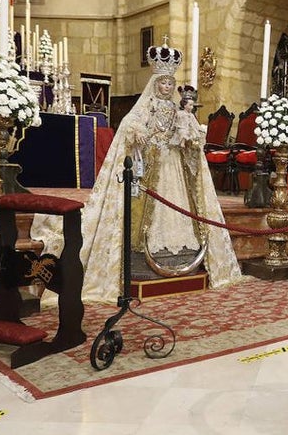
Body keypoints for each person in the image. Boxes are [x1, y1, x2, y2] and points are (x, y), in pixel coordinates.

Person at [32, 69, 242, 303]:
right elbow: (130, 123)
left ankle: (178, 250)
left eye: (170, 83)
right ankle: (145, 249)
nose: (167, 87)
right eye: (163, 82)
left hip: (173, 163)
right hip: (150, 165)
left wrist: (190, 137)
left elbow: (185, 130)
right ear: (155, 85)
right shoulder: (148, 105)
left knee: (179, 204)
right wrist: (139, 132)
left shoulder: (177, 109)